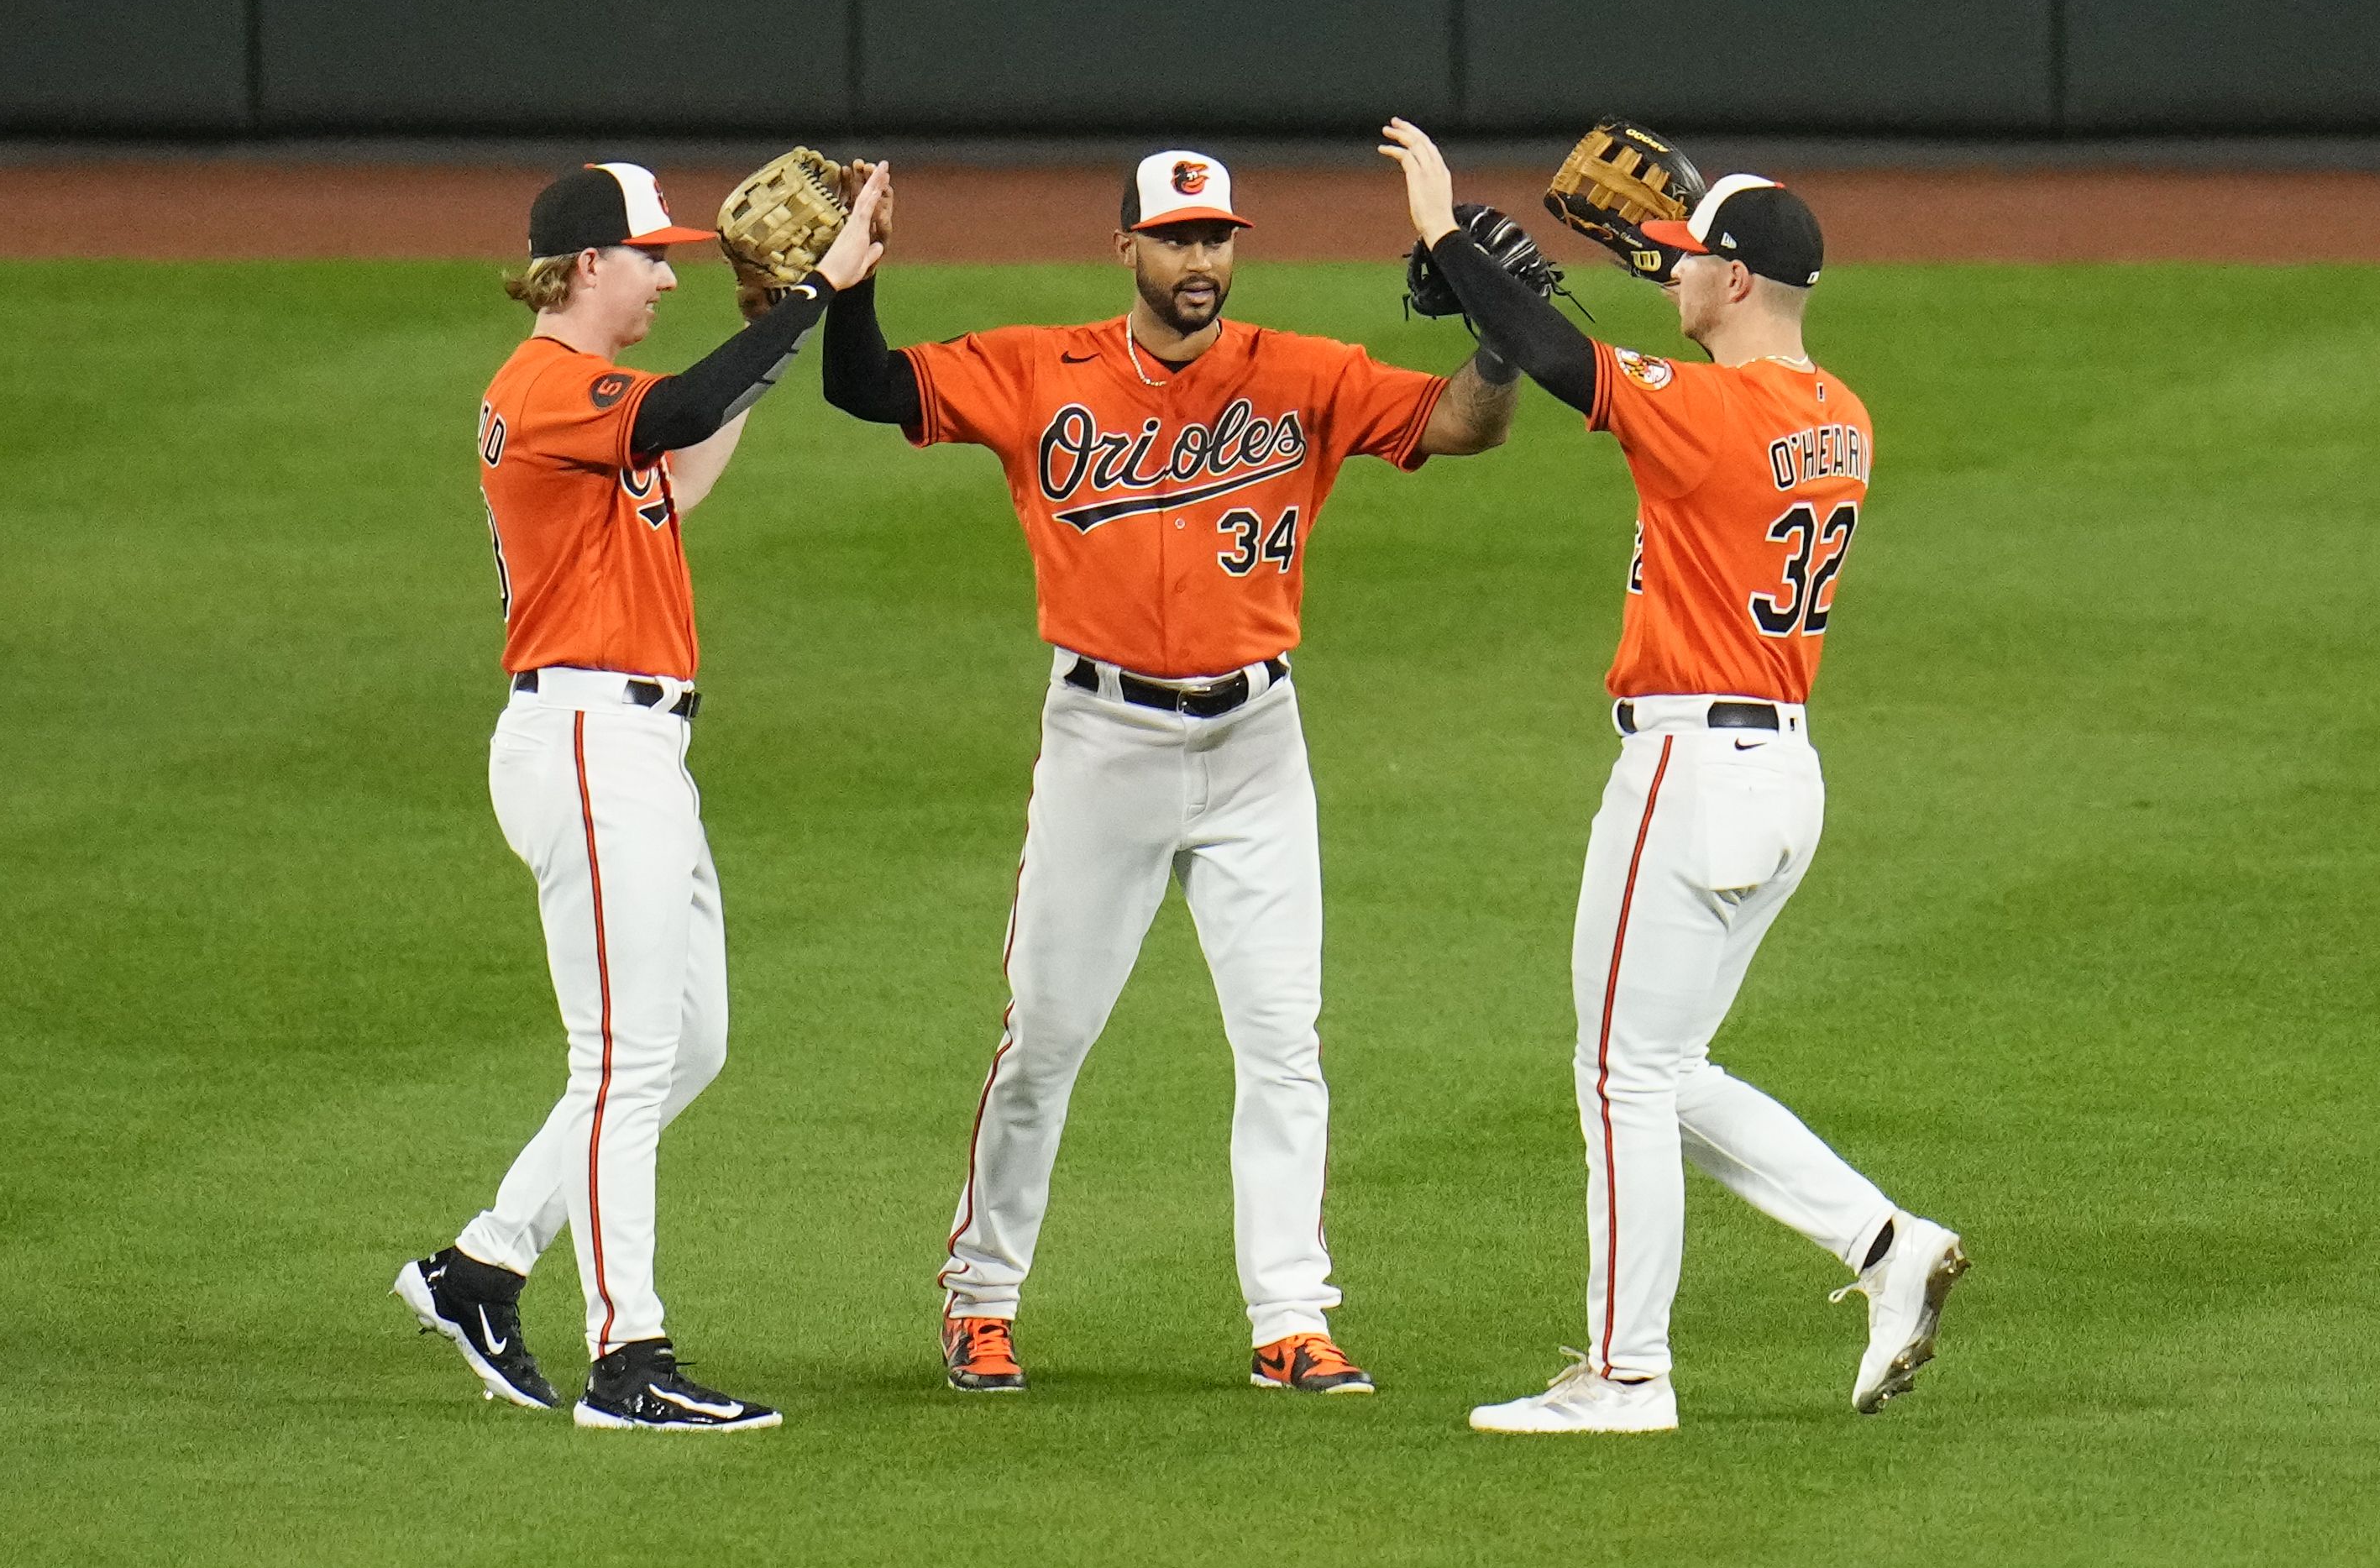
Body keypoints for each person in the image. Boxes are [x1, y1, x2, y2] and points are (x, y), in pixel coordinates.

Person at [822, 149, 1518, 1394]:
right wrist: (855, 282)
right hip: (1104, 744)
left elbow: (1461, 422)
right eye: (1177, 238)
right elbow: (866, 389)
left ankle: (1290, 1317)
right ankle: (980, 1298)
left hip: (1260, 745)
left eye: (1217, 238)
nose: (1201, 261)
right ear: (1126, 246)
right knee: (1045, 1035)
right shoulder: (1043, 366)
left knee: (1282, 1039)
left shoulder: (1304, 373)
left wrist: (1503, 337)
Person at [1378, 119, 1967, 1434]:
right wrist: (1545, 287)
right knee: (1659, 1062)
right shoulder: (1837, 413)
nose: (1670, 271)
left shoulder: (1714, 411)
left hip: (1691, 774)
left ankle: (1626, 1374)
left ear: (1742, 281)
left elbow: (1556, 359)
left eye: (1693, 259)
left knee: (1618, 1075)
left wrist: (1438, 230)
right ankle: (1888, 1244)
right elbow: (1609, 344)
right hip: (1780, 776)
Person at [392, 159, 889, 1432]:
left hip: (634, 748)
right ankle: (629, 1359)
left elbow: (688, 456)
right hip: (585, 741)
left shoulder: (592, 404)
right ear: (583, 266)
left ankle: (484, 1264)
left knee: (689, 1043)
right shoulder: (546, 384)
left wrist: (772, 326)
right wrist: (815, 295)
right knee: (621, 1057)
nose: (671, 272)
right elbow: (672, 415)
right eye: (651, 255)